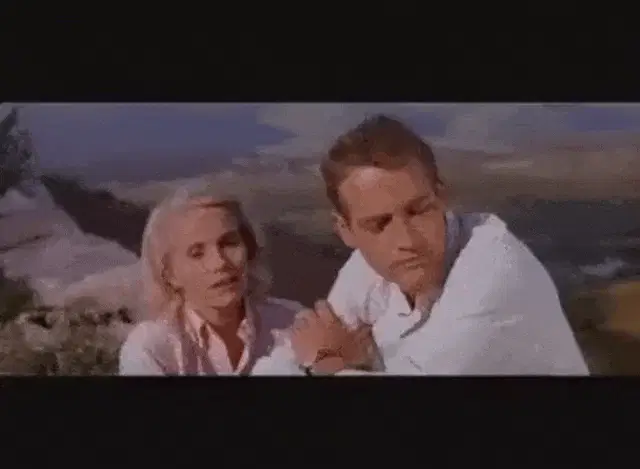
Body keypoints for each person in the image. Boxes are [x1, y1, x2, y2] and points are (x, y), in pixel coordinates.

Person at [253, 115, 589, 375]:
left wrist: (326, 365)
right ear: (346, 231)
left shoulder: (494, 273)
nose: (407, 240)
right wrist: (341, 361)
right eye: (379, 224)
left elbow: (315, 354)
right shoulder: (367, 267)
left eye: (418, 210)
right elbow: (288, 357)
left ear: (442, 197)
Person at [119, 186, 302, 375]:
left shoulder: (292, 323)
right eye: (197, 254)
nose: (220, 263)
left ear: (249, 249)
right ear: (170, 275)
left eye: (229, 243)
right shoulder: (151, 349)